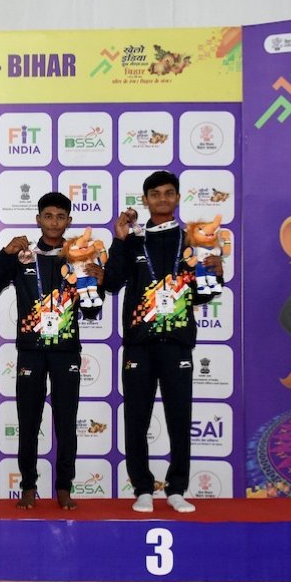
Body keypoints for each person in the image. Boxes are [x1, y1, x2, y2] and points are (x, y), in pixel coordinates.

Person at [104, 170, 222, 514]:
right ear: (145, 200)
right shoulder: (133, 241)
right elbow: (110, 284)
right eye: (155, 194)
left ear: (178, 198)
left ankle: (176, 489)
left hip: (177, 343)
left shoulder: (192, 240)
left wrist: (216, 275)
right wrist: (119, 240)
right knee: (136, 419)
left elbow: (202, 295)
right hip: (139, 344)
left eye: (169, 193)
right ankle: (142, 488)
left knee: (179, 418)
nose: (162, 199)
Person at [0, 192, 103, 510]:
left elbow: (92, 311)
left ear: (69, 221)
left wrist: (97, 282)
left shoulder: (78, 257)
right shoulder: (22, 256)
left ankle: (64, 487)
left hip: (66, 352)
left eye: (61, 216)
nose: (54, 222)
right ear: (38, 219)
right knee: (29, 421)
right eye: (48, 216)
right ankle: (28, 486)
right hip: (31, 351)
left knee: (66, 422)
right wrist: (5, 254)